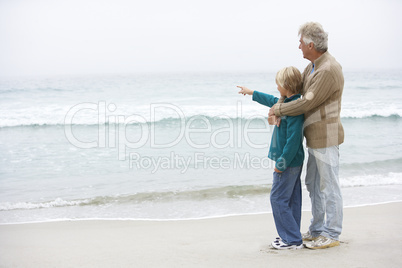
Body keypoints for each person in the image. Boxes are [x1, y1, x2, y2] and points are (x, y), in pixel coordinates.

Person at [269, 22, 344, 249]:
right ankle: (317, 229)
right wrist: (277, 105)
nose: (298, 46)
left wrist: (279, 110)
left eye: (301, 42)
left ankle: (332, 233)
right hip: (312, 137)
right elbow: (294, 91)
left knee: (328, 186)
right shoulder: (312, 66)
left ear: (311, 44)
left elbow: (305, 103)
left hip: (326, 136)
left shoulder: (328, 69)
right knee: (313, 184)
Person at [237, 66, 305, 250]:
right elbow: (271, 100)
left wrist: (280, 165)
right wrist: (251, 92)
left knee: (277, 199)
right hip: (292, 161)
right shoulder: (287, 103)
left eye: (278, 83)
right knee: (291, 199)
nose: (276, 86)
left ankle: (291, 239)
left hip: (288, 162)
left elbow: (293, 141)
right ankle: (293, 235)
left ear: (287, 85)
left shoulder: (293, 109)